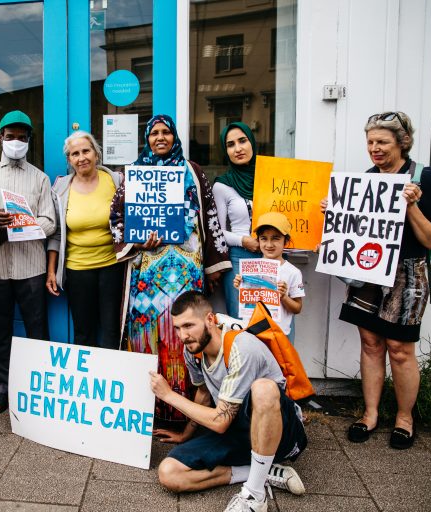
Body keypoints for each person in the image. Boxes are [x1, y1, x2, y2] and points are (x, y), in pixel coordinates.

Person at [110, 114, 231, 422]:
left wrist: (214, 265)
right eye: (154, 133)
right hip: (147, 273)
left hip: (186, 269)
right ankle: (146, 409)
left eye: (165, 132)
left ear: (174, 136)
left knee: (185, 333)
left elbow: (211, 216)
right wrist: (136, 243)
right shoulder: (135, 173)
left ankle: (186, 413)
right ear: (147, 139)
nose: (160, 138)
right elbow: (116, 219)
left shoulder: (192, 171)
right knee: (146, 335)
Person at [337, 112, 431, 449]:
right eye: (370, 142)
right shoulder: (367, 180)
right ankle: (370, 414)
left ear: (403, 142)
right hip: (368, 271)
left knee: (400, 349)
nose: (374, 148)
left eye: (382, 142)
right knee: (370, 344)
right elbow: (353, 230)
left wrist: (411, 206)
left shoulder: (424, 176)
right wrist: (336, 214)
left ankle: (404, 418)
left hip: (407, 272)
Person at [150, 291, 307, 512]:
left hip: (281, 434)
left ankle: (254, 496)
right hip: (237, 429)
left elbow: (219, 422)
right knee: (169, 473)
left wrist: (168, 395)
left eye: (188, 326)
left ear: (210, 320)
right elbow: (204, 392)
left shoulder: (241, 347)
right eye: (177, 328)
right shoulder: (193, 348)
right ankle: (260, 472)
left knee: (263, 389)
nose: (183, 335)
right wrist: (186, 433)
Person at [0, 110, 56, 414]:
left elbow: (50, 222)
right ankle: (1, 389)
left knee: (38, 330)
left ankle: (43, 389)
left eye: (23, 137)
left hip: (31, 268)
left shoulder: (40, 178)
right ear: (1, 138)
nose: (16, 142)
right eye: (11, 136)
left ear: (29, 140)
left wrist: (23, 226)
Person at [46, 130, 124, 349]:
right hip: (77, 269)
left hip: (112, 266)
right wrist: (51, 271)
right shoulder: (61, 189)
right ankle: (89, 381)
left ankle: (111, 377)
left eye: (86, 151)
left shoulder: (115, 180)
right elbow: (56, 233)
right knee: (83, 331)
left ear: (96, 154)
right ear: (69, 160)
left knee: (111, 329)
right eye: (75, 154)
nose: (82, 157)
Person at [213, 122, 261, 319]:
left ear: (252, 143)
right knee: (243, 322)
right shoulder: (223, 185)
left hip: (274, 258)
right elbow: (217, 231)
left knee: (277, 323)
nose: (238, 148)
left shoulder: (272, 179)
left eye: (243, 141)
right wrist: (244, 241)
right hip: (240, 259)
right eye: (230, 144)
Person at [232, 212, 304, 339]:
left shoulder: (293, 272)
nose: (269, 244)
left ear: (286, 241)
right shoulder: (250, 269)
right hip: (252, 332)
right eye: (264, 238)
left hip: (278, 336)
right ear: (258, 240)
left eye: (276, 238)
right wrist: (242, 288)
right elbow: (248, 305)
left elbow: (297, 308)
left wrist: (283, 297)